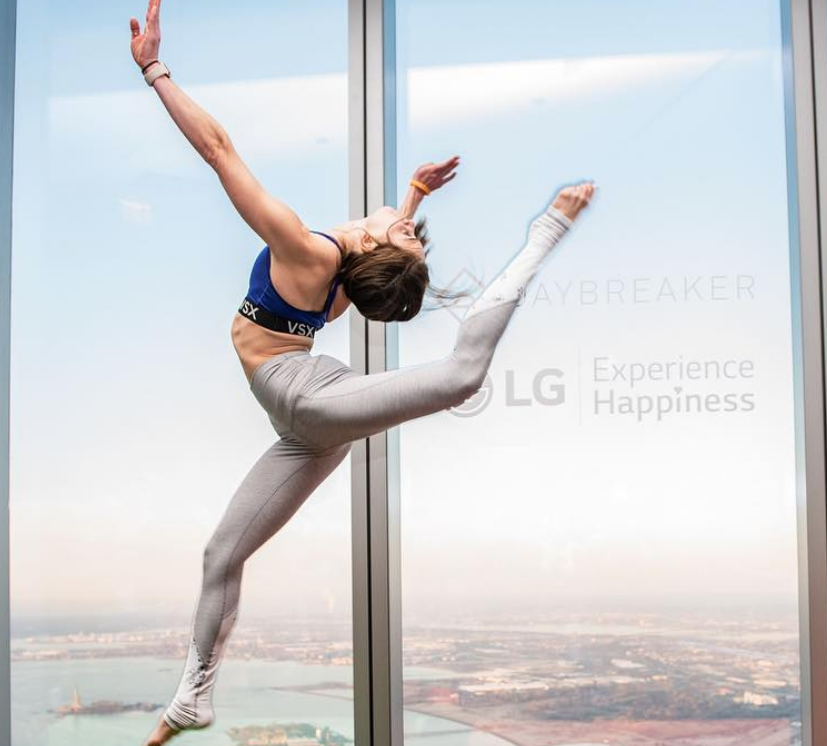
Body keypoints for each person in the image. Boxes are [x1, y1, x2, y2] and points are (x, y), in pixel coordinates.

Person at [131, 2, 596, 744]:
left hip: (310, 399)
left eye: (407, 237)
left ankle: (547, 231)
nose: (409, 227)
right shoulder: (348, 268)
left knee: (460, 376)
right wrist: (410, 199)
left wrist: (154, 70)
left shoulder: (312, 256)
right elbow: (380, 253)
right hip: (305, 421)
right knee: (223, 552)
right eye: (415, 236)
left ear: (375, 252)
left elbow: (220, 150)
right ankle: (192, 699)